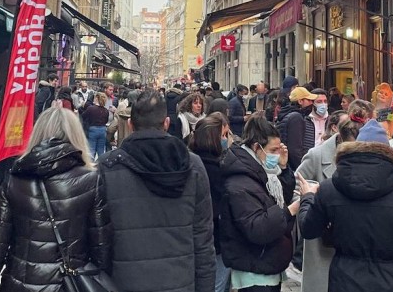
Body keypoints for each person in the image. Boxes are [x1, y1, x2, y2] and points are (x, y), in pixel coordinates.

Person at [0, 104, 111, 292]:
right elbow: (101, 248)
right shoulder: (91, 180)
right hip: (68, 284)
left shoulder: (15, 179)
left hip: (19, 284)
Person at [298, 116, 393, 292]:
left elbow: (308, 229)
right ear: (390, 154)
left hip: (345, 282)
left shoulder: (329, 189)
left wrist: (308, 197)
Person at [98, 90, 215, 292]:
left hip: (124, 281)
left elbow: (98, 239)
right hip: (180, 281)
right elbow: (203, 239)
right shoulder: (192, 165)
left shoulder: (107, 167)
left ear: (130, 125)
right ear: (166, 123)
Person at [220, 115, 297, 292]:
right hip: (254, 268)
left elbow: (279, 198)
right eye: (273, 150)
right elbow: (258, 228)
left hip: (267, 263)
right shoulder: (241, 181)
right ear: (256, 147)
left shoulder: (263, 171)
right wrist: (291, 210)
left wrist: (284, 169)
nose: (276, 154)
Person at [294, 117, 363, 292]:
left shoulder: (363, 158)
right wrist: (312, 201)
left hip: (352, 244)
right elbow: (297, 188)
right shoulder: (317, 156)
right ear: (339, 139)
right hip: (322, 246)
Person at [189, 113, 235, 292]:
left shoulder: (191, 162)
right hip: (216, 240)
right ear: (212, 138)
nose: (226, 139)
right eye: (223, 135)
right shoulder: (216, 169)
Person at [276, 87, 317, 171]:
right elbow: (295, 149)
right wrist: (302, 168)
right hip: (293, 167)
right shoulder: (296, 117)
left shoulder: (289, 114)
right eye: (309, 100)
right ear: (300, 101)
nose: (312, 103)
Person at [81, 93, 110, 159]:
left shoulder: (91, 108)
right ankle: (101, 164)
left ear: (97, 98)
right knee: (101, 150)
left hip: (93, 129)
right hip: (103, 130)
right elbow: (106, 121)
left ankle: (91, 164)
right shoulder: (106, 110)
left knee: (91, 150)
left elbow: (83, 116)